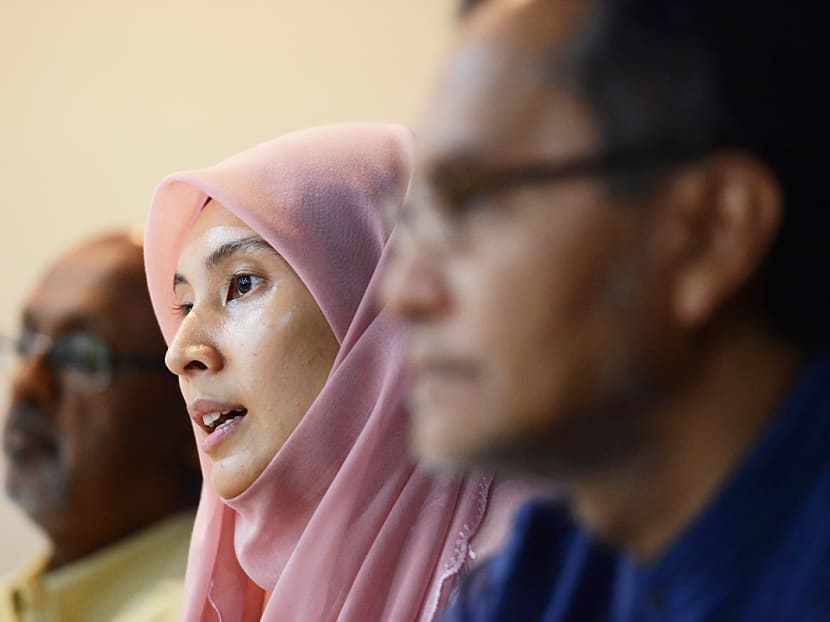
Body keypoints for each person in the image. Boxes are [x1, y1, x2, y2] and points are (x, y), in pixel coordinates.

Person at [381, 0, 830, 619]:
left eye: (471, 202)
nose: (402, 295)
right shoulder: (541, 582)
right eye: (413, 221)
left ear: (707, 232)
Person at [143, 123, 531, 621]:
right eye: (184, 305)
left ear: (385, 310)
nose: (181, 355)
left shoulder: (552, 573)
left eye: (241, 284)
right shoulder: (265, 598)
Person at [0, 232, 201, 621]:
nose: (27, 384)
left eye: (82, 356)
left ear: (191, 403)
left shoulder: (215, 610)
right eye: (27, 343)